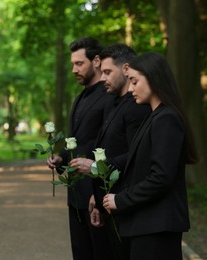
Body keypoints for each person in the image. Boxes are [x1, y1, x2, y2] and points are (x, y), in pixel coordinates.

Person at [103, 52, 199, 259]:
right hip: (148, 225)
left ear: (153, 78)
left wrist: (121, 200)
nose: (130, 89)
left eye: (134, 82)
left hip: (157, 227)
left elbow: (161, 177)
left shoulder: (167, 119)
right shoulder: (155, 117)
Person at [71, 43, 151, 259]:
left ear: (126, 69)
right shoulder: (114, 103)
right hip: (108, 202)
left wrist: (96, 167)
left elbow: (137, 156)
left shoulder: (136, 107)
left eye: (107, 72)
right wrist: (97, 197)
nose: (103, 78)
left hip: (125, 204)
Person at [47, 36, 114, 259]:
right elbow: (78, 141)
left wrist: (101, 192)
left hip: (97, 192)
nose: (74, 69)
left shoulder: (109, 95)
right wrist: (61, 157)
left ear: (96, 61)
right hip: (76, 194)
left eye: (79, 64)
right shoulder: (79, 98)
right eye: (72, 64)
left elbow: (108, 143)